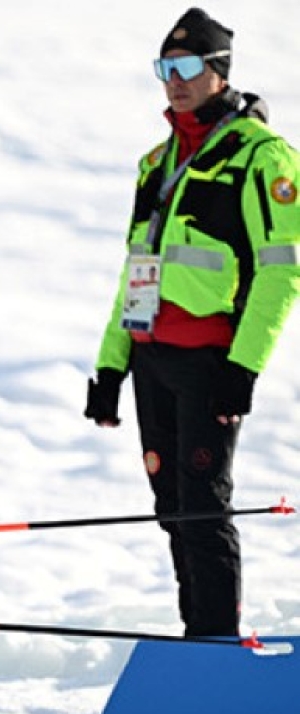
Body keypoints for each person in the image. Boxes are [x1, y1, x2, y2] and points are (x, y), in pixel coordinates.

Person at [85, 8, 300, 637]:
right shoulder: (155, 163)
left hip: (210, 362)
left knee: (205, 510)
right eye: (164, 69)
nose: (173, 82)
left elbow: (282, 272)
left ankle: (217, 647)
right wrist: (110, 365)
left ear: (217, 73)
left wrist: (244, 368)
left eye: (185, 68)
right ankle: (195, 640)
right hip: (152, 360)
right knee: (172, 510)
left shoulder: (262, 158)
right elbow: (137, 272)